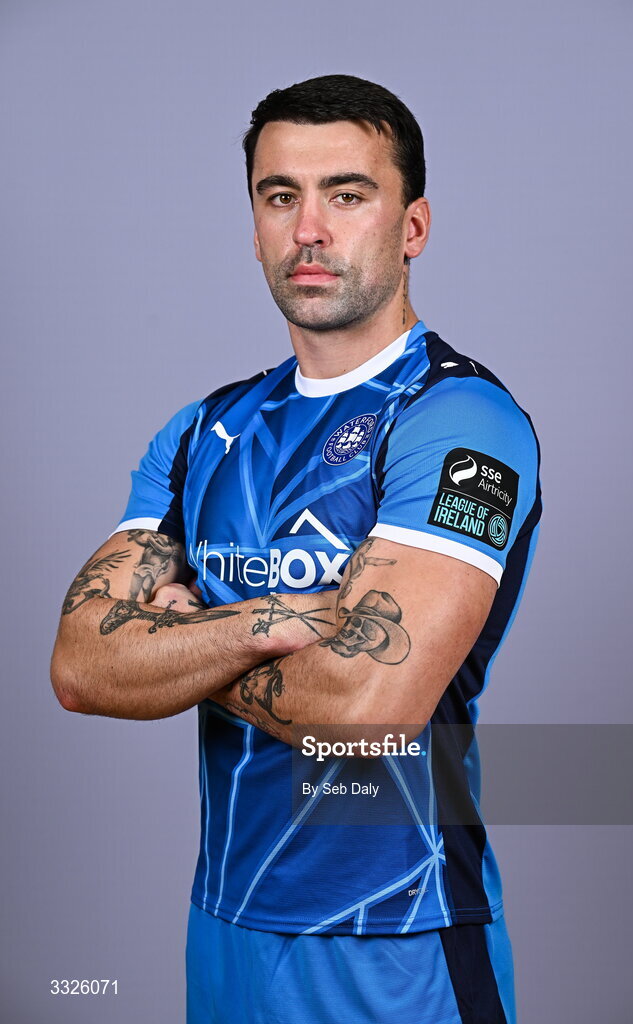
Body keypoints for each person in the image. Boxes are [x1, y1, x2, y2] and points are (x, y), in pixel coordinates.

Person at [51, 74, 541, 1024]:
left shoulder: (458, 421)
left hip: (393, 934)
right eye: (281, 196)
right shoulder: (202, 431)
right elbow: (78, 667)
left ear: (413, 226)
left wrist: (172, 643)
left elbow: (367, 708)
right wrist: (292, 622)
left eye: (347, 195)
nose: (308, 228)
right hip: (224, 926)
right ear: (255, 222)